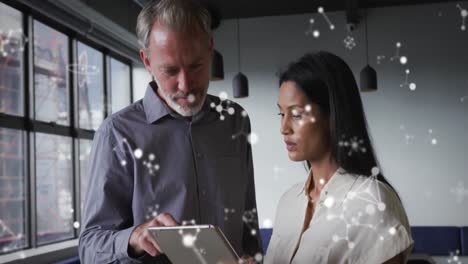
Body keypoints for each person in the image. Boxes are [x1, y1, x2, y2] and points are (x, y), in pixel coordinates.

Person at [78, 0, 262, 263]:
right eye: (170, 70)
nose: (186, 85)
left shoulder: (235, 121)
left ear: (210, 49)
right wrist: (133, 238)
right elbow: (89, 247)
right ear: (147, 62)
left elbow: (248, 220)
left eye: (196, 66)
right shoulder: (117, 133)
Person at [264, 51, 413, 264]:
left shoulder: (371, 201)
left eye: (296, 114)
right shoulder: (288, 202)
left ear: (332, 115)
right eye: (281, 114)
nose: (284, 128)